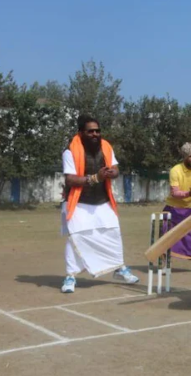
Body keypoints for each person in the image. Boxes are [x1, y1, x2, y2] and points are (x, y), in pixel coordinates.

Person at [60, 116, 139, 294]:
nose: (95, 134)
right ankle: (70, 276)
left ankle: (119, 268)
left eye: (97, 130)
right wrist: (96, 178)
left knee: (112, 233)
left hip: (103, 201)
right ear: (81, 133)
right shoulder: (70, 151)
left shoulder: (106, 146)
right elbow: (70, 179)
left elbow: (116, 169)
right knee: (76, 238)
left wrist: (112, 172)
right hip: (79, 203)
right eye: (90, 131)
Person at [161, 143, 191, 260]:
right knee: (165, 243)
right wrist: (189, 194)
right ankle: (163, 265)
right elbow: (175, 192)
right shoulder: (175, 170)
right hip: (173, 211)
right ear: (185, 157)